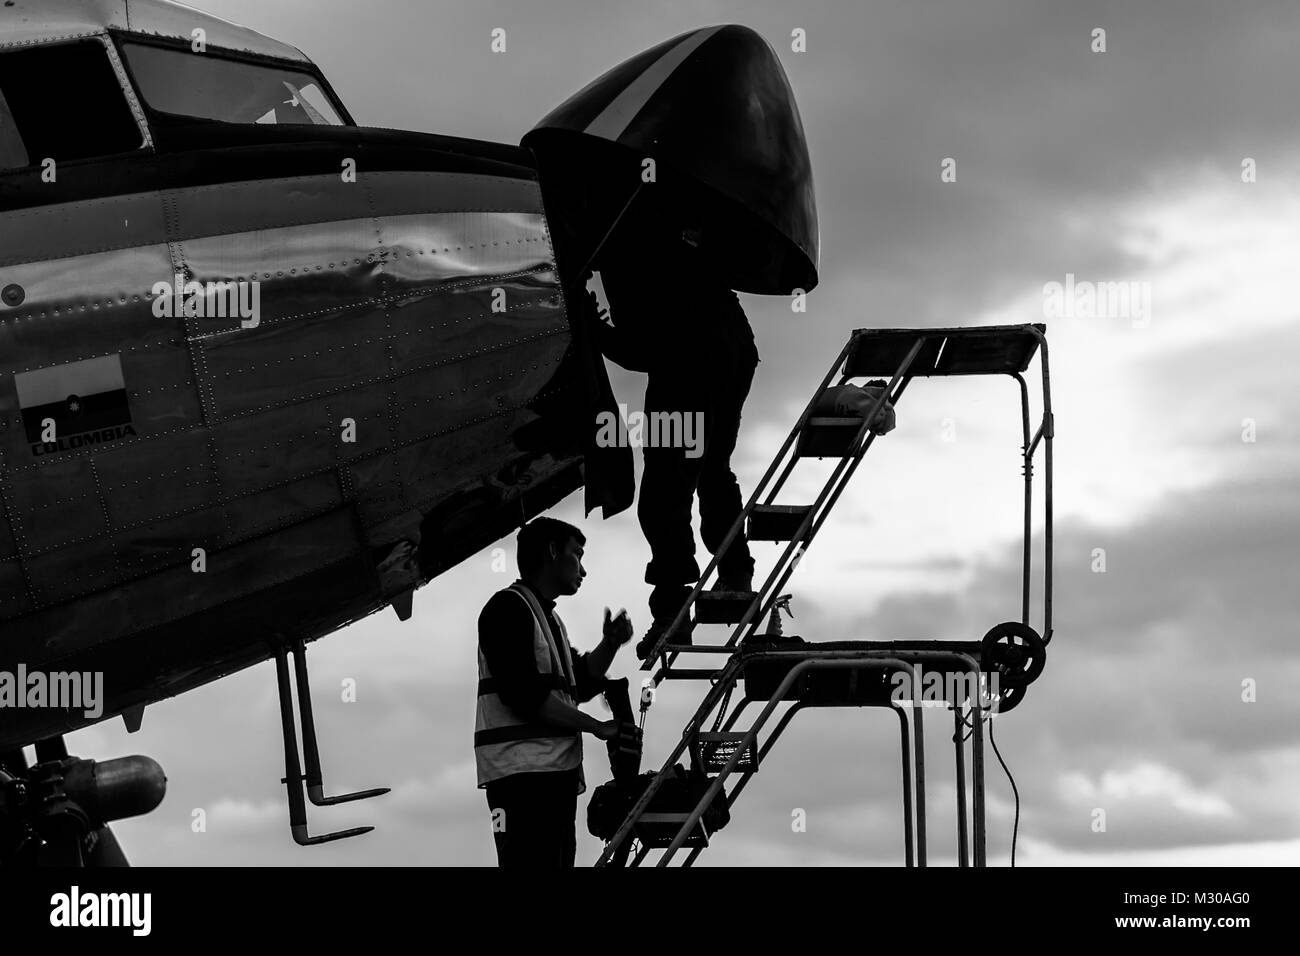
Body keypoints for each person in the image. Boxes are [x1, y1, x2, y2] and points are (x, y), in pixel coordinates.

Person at [592, 207, 759, 660]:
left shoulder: (620, 245)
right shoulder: (666, 225)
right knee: (712, 471)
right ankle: (735, 568)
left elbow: (641, 347)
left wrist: (593, 331)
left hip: (689, 364)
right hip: (731, 353)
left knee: (665, 488)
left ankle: (671, 609)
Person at [475, 516, 640, 867]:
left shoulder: (545, 618)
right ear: (552, 552)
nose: (583, 569)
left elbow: (576, 681)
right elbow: (524, 696)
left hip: (548, 779)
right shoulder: (507, 609)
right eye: (577, 555)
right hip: (523, 781)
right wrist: (596, 726)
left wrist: (609, 644)